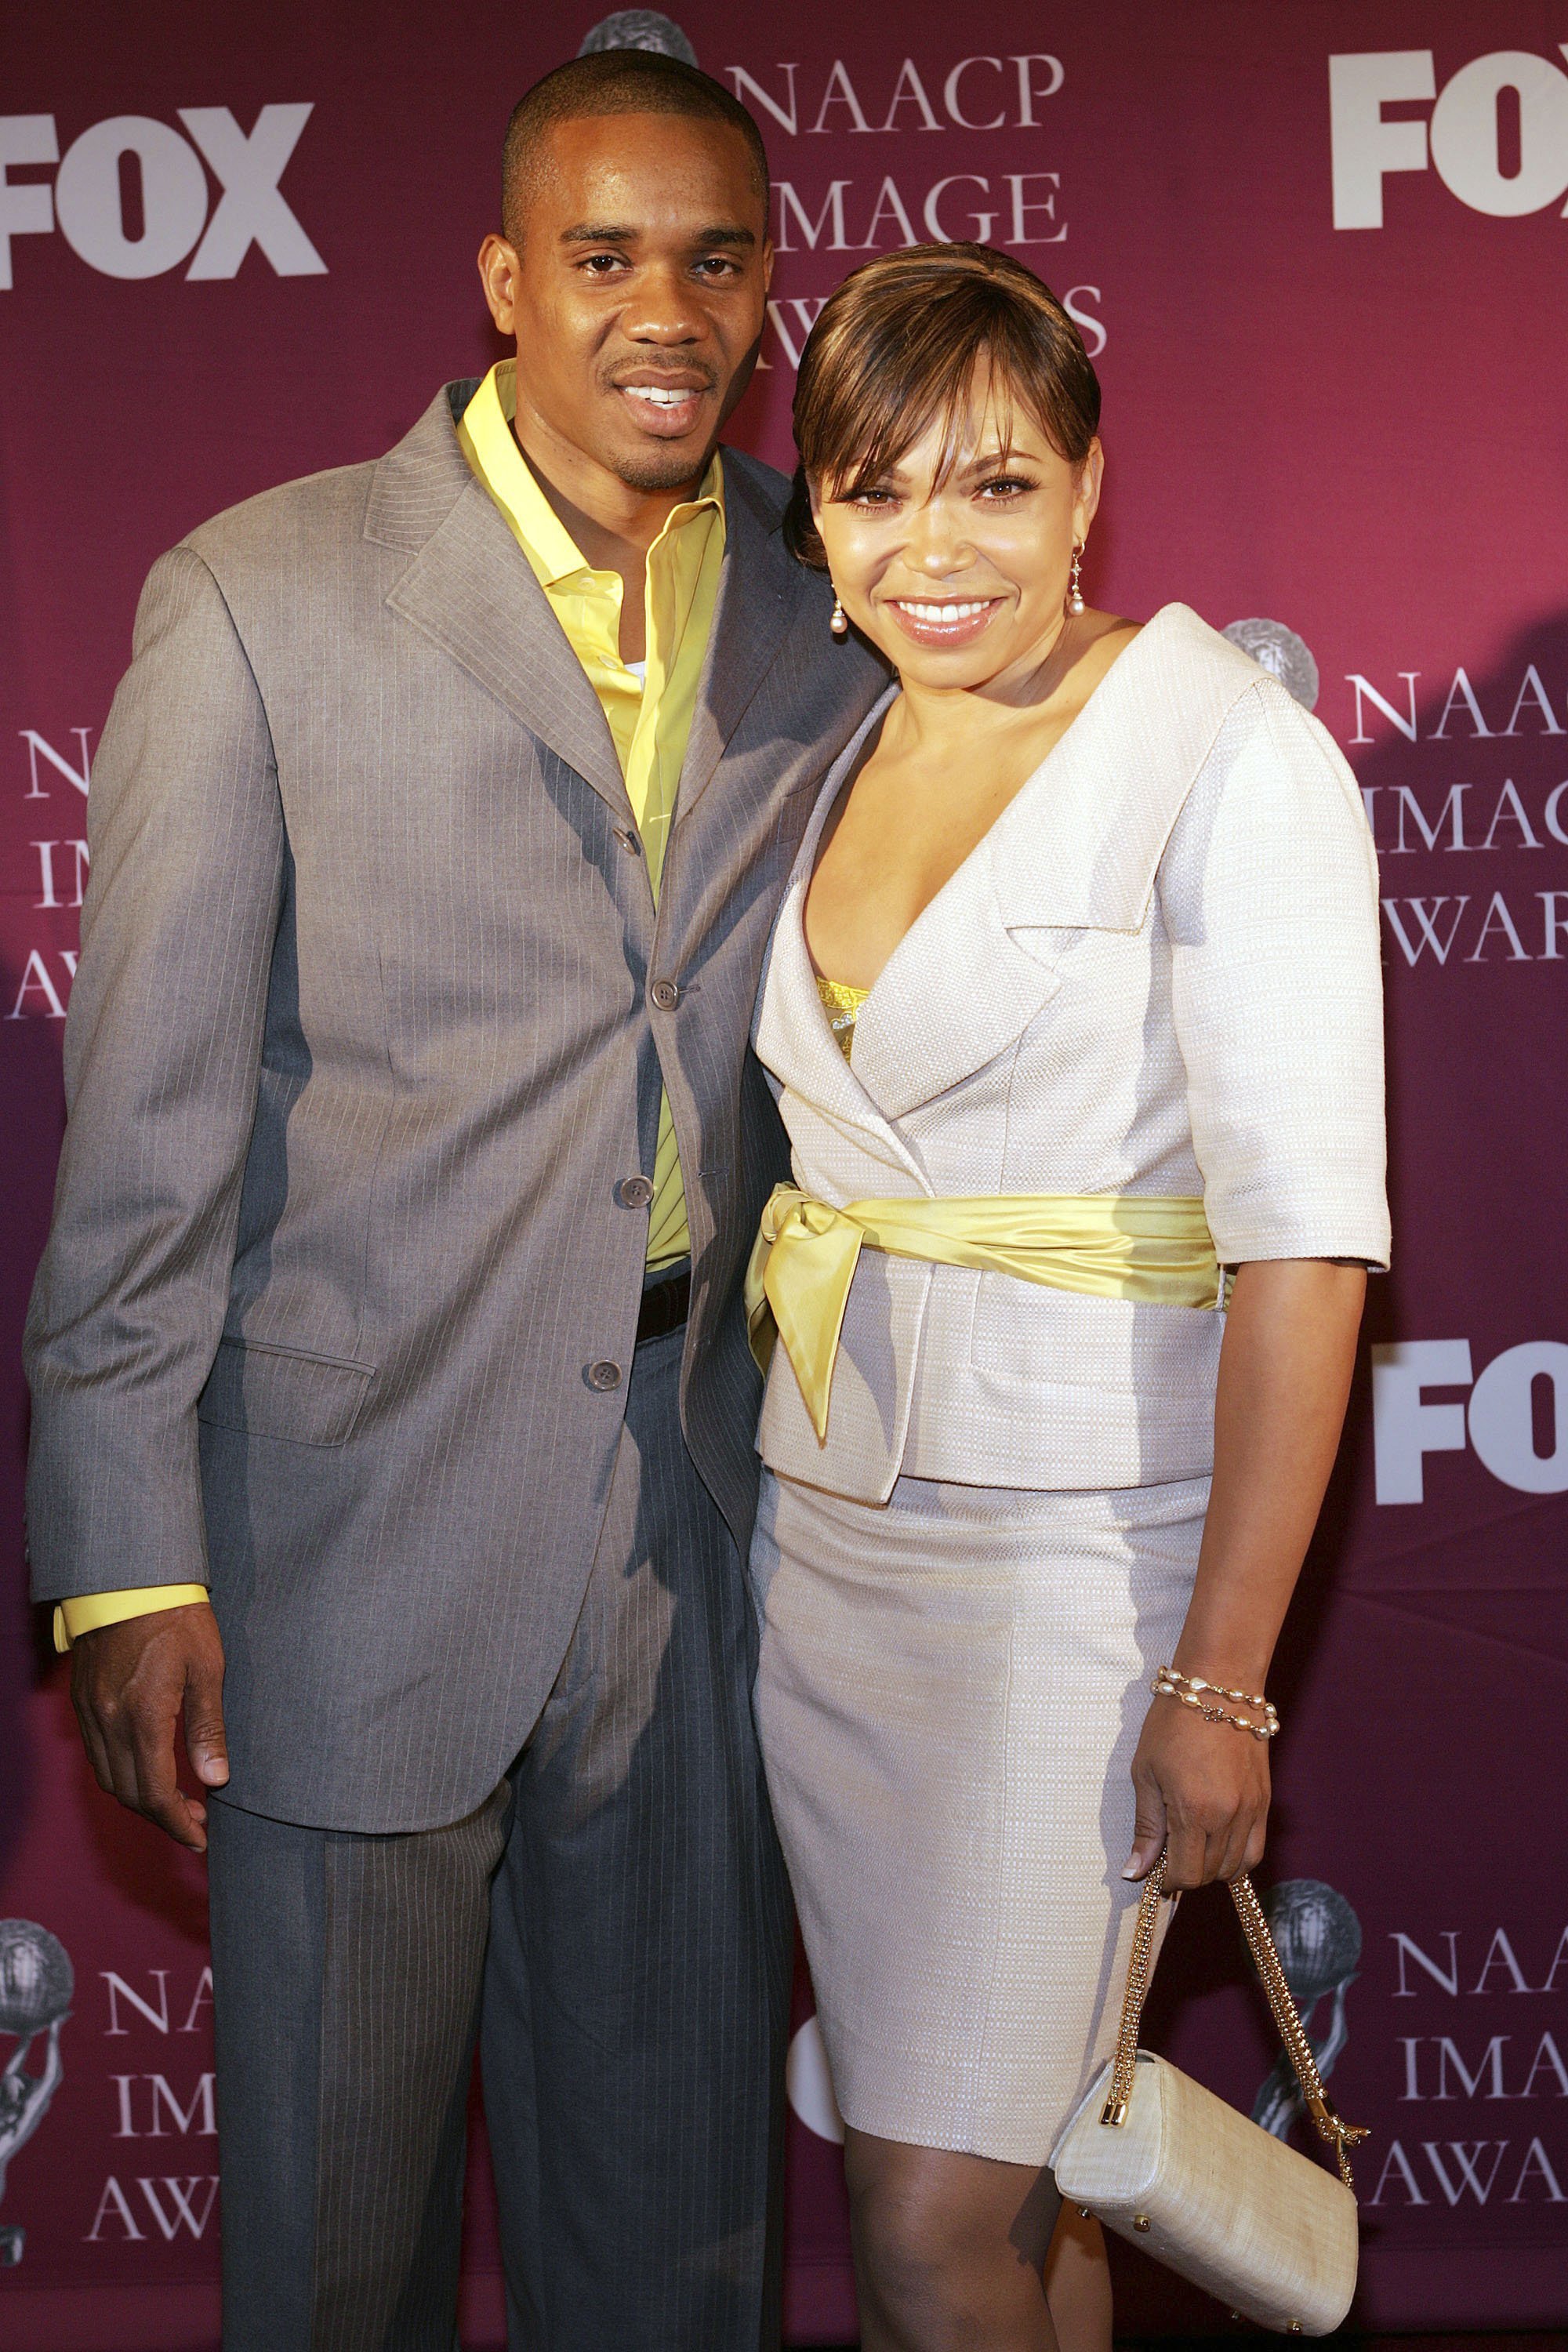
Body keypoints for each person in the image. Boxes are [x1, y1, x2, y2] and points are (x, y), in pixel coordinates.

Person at [24, 53, 887, 2352]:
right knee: (334, 2260)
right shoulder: (263, 596)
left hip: (699, 1538)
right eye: (604, 257)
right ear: (506, 280)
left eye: (717, 260)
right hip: (344, 1543)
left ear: (767, 286)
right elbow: (147, 1139)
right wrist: (124, 1560)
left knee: (679, 2248)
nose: (666, 312)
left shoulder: (844, 592)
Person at [744, 244, 1388, 2352]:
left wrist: (1222, 1677)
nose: (932, 548)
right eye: (872, 491)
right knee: (1018, 2184)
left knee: (931, 2226)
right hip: (827, 1556)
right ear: (815, 513)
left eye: (996, 487)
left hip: (1075, 1588)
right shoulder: (838, 744)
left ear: (1091, 486)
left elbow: (1305, 1249)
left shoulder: (1224, 752)